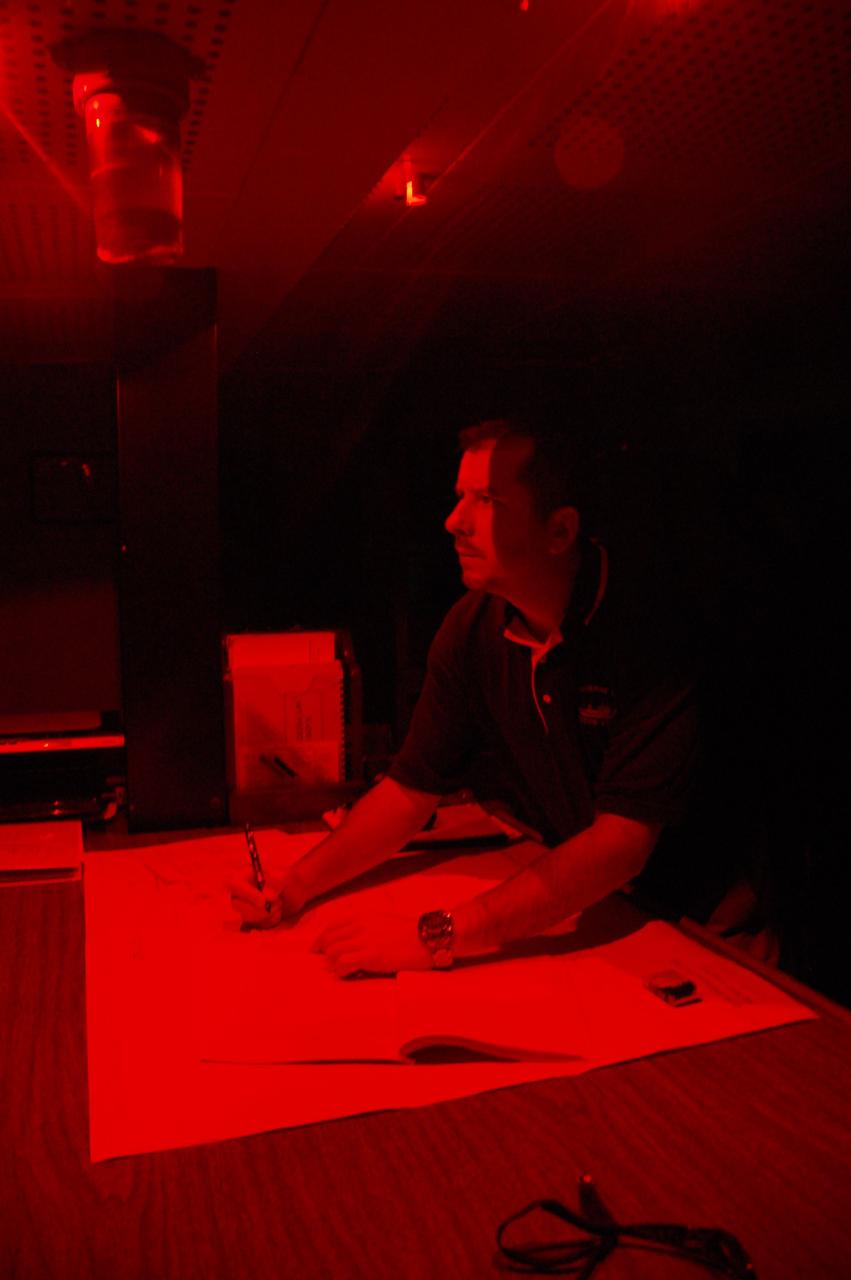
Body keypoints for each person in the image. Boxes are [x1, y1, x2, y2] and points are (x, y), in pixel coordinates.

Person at [231, 416, 698, 975]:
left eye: (486, 499)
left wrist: (437, 935)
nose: (454, 522)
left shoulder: (649, 626)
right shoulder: (473, 628)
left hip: (699, 922)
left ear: (559, 532)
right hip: (599, 907)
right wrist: (294, 884)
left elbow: (622, 843)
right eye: (459, 498)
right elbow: (410, 790)